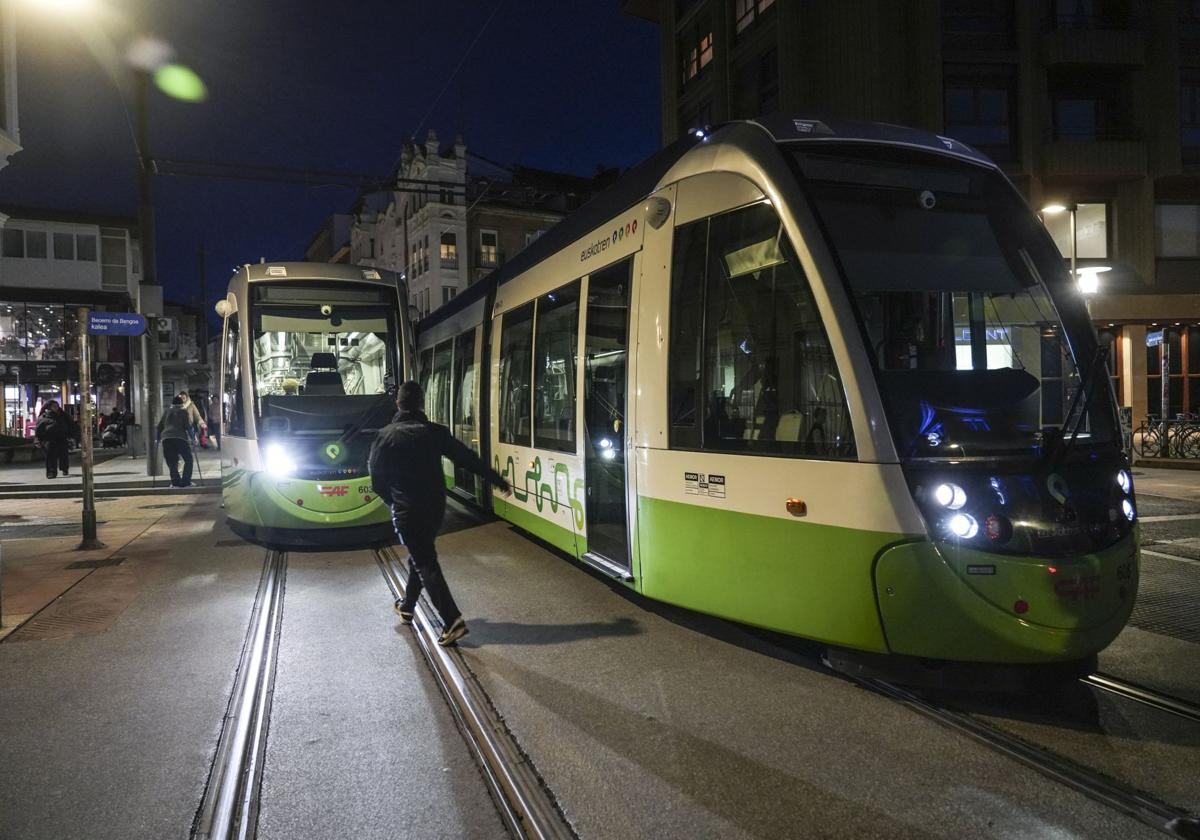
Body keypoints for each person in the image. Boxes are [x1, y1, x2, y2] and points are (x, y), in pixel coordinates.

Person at [369, 380, 512, 646]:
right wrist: (497, 480)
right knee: (421, 554)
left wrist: (394, 502)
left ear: (398, 404)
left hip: (407, 510)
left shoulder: (385, 436)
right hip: (435, 508)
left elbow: (377, 481)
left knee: (424, 561)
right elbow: (466, 458)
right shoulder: (435, 432)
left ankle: (452, 619)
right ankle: (407, 606)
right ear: (421, 404)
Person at [157, 395, 194, 487]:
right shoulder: (184, 412)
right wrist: (193, 438)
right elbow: (188, 427)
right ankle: (186, 482)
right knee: (188, 459)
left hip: (166, 438)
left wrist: (157, 439)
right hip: (180, 438)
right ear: (181, 403)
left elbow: (159, 427)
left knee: (172, 461)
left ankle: (176, 482)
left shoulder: (166, 412)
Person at [34, 400, 71, 479]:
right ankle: (51, 472)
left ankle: (64, 468)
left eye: (57, 406)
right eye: (54, 406)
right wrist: (38, 441)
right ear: (49, 407)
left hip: (62, 438)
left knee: (63, 455)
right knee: (50, 456)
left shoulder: (63, 415)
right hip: (49, 440)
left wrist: (71, 436)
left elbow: (70, 425)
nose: (56, 408)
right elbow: (39, 430)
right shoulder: (44, 417)